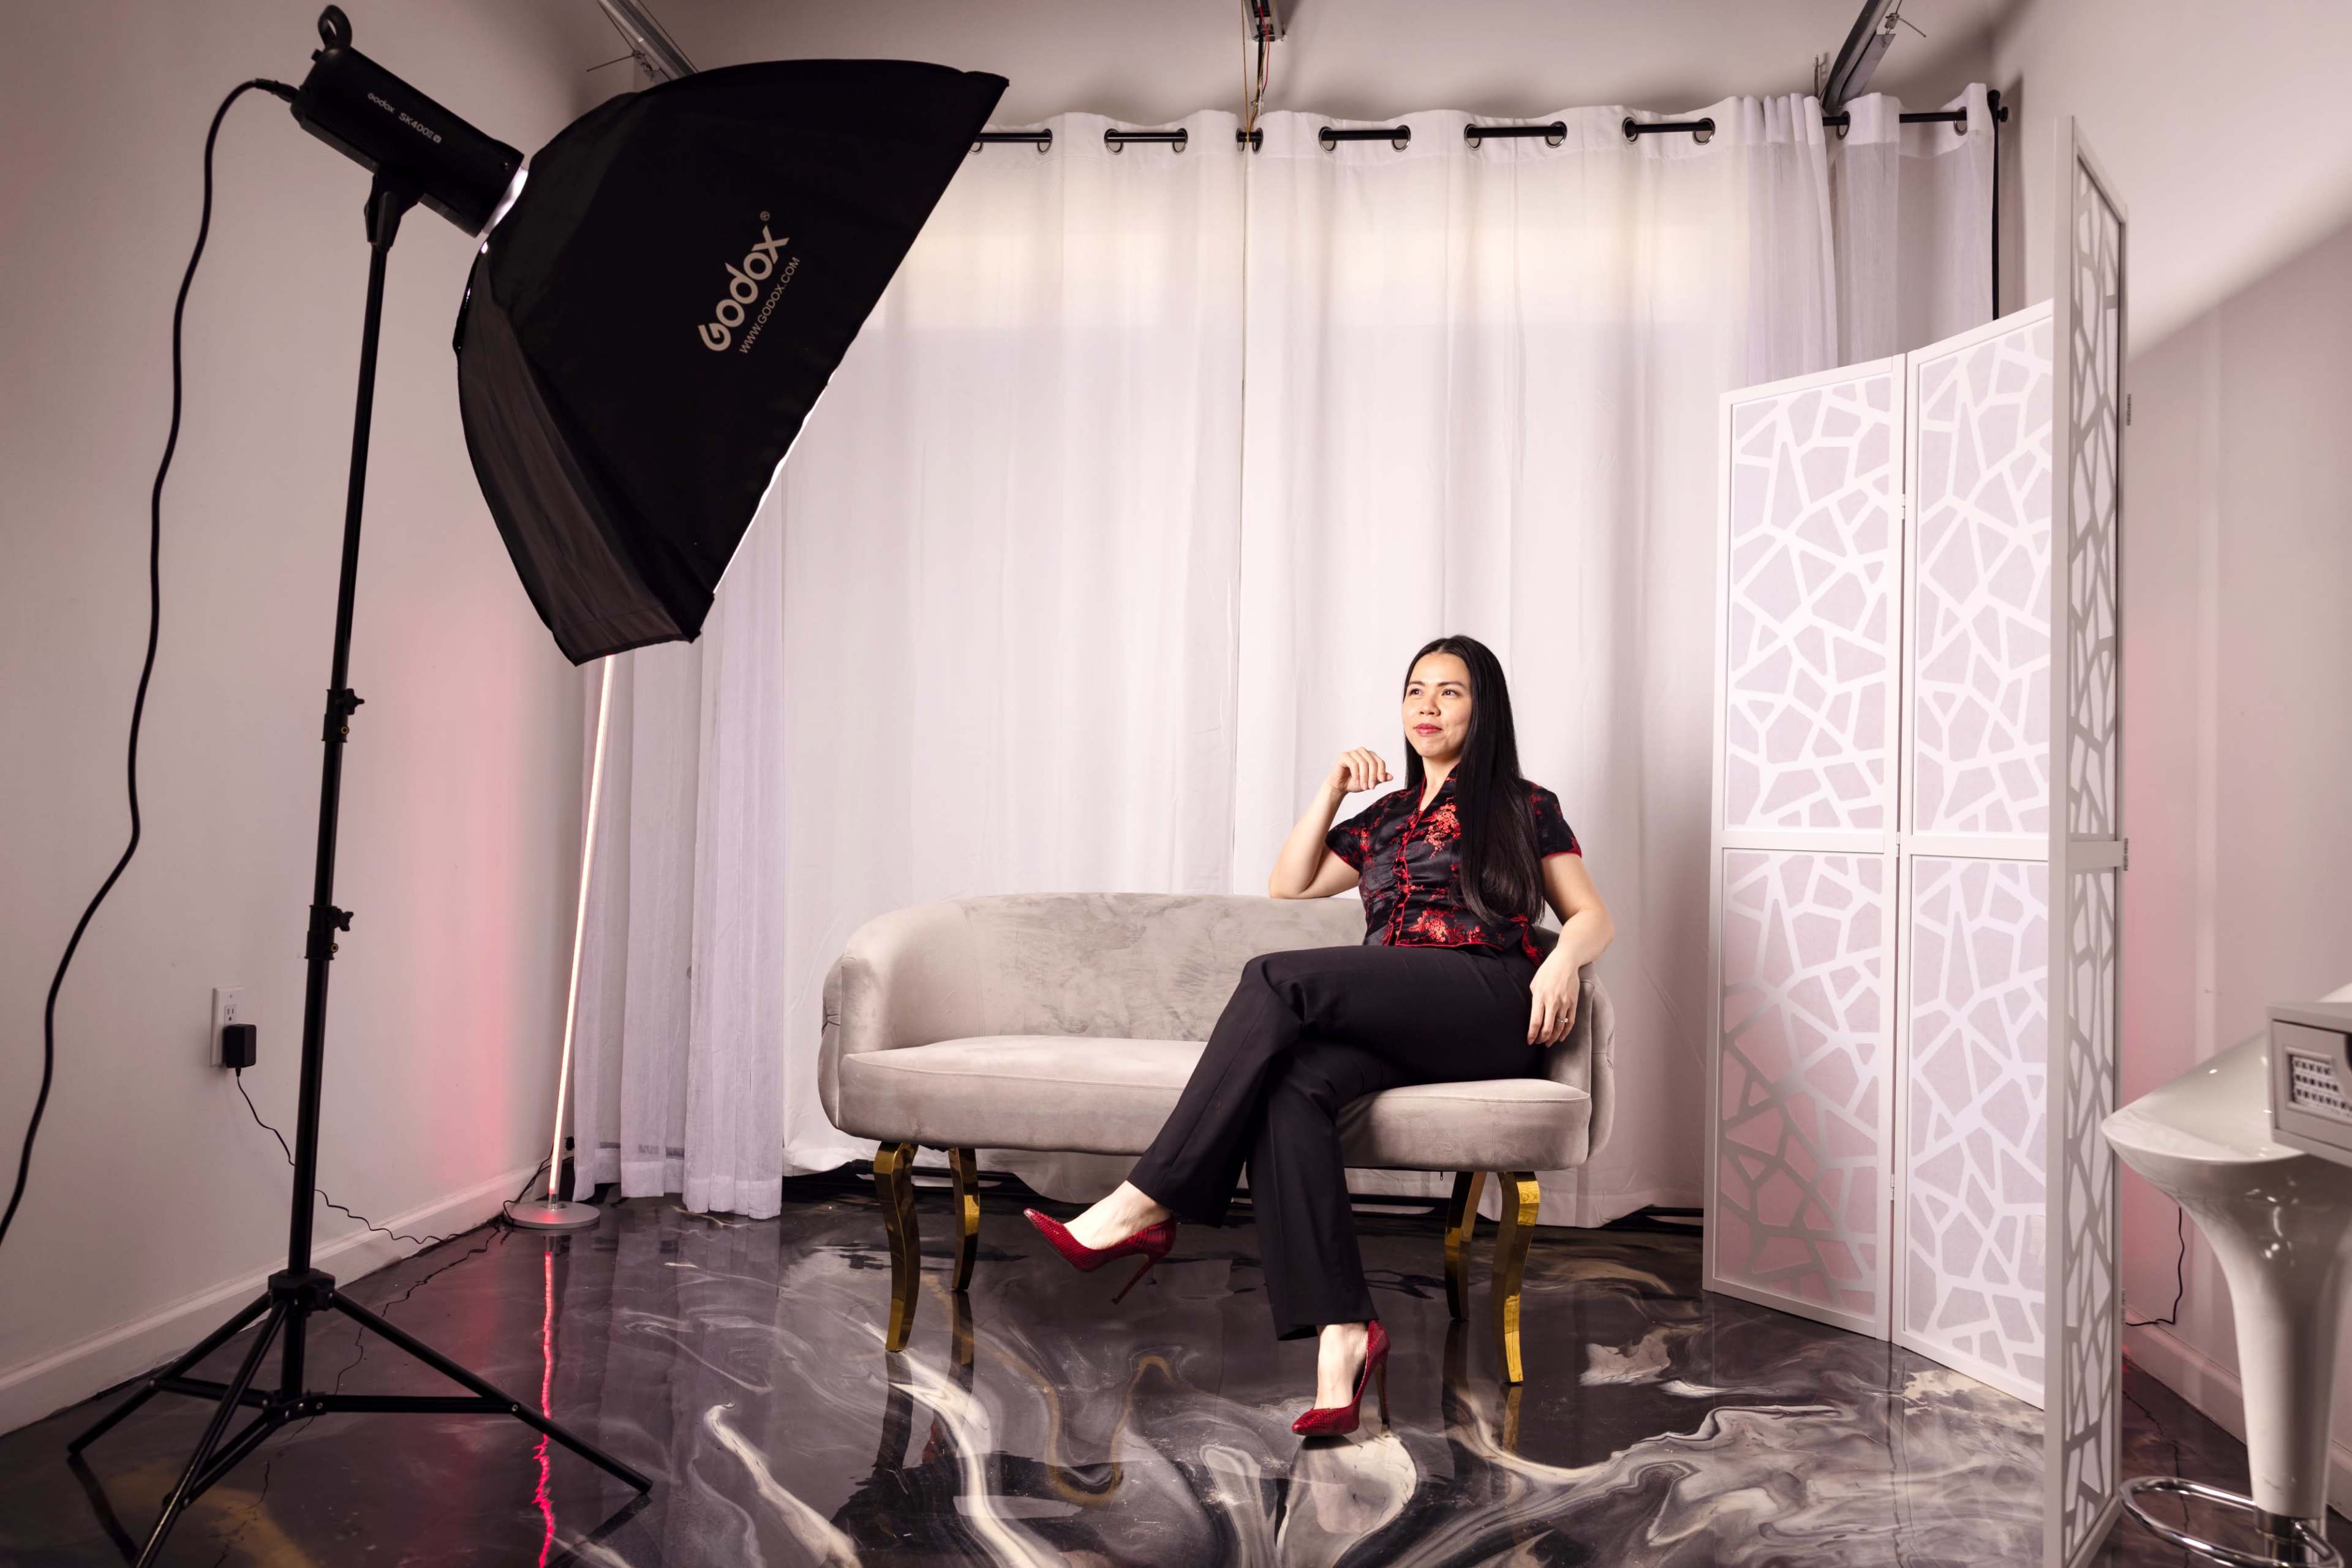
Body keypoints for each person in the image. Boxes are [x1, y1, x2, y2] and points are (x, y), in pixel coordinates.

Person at [1025, 634, 1615, 1434]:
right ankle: (1343, 1334)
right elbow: (1289, 883)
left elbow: (1593, 917)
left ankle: (1148, 1200)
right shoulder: (1384, 817)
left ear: (1485, 709)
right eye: (1415, 691)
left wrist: (1559, 965)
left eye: (1450, 692)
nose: (1427, 707)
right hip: (1399, 1010)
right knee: (1293, 1087)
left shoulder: (1525, 804)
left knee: (1277, 976)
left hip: (1488, 1000)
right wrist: (1333, 788)